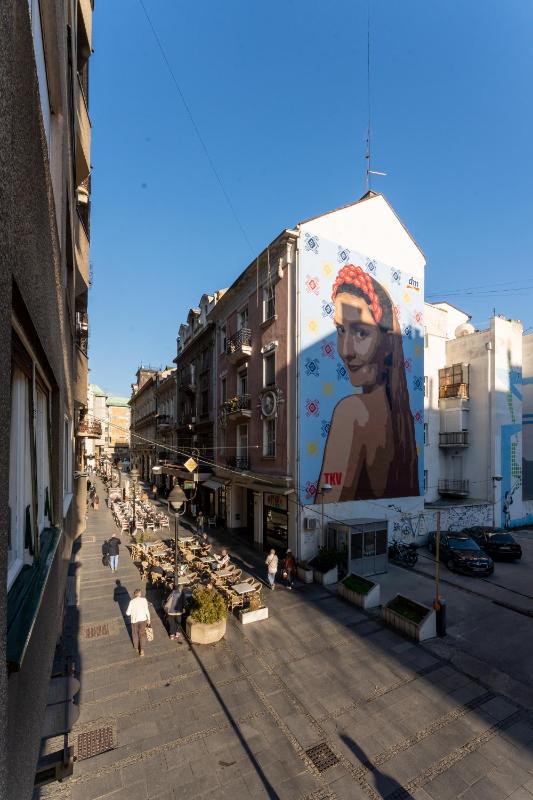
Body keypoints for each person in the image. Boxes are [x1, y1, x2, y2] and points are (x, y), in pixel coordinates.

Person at [317, 264, 419, 502]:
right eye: (341, 330)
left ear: (386, 341)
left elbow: (325, 506)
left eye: (361, 333)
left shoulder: (351, 413)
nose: (345, 351)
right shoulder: (404, 421)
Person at [126, 589, 151, 656]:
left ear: (134, 595)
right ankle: (142, 650)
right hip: (143, 620)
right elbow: (147, 610)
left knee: (135, 634)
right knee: (142, 634)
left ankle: (136, 648)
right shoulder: (144, 600)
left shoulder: (132, 602)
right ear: (140, 594)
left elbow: (128, 613)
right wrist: (149, 619)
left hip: (134, 621)